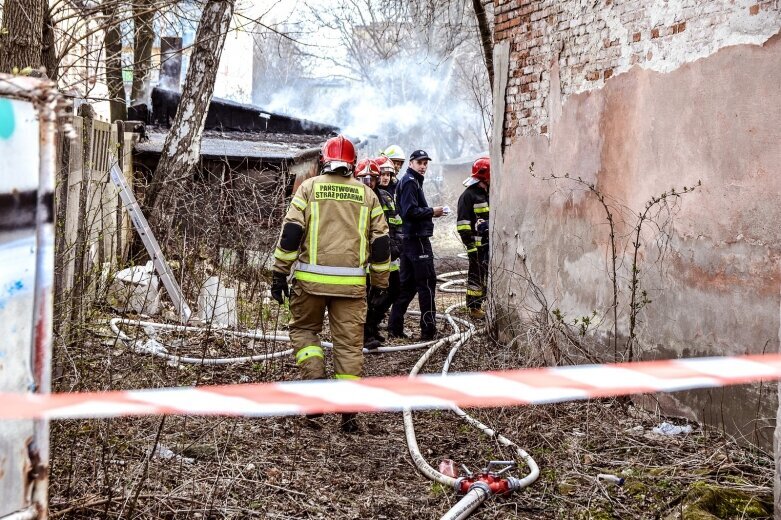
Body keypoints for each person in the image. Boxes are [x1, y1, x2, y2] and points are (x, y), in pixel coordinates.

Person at [270, 135, 390, 433]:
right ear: (352, 163)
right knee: (349, 346)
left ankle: (315, 386)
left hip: (309, 285)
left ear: (324, 161)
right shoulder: (367, 195)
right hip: (351, 288)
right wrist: (380, 282)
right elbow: (382, 243)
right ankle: (347, 411)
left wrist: (278, 273)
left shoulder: (308, 189)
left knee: (304, 331)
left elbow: (291, 235)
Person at [387, 149, 444, 341]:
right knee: (427, 285)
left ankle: (394, 327)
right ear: (410, 163)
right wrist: (432, 211)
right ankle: (428, 332)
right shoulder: (410, 182)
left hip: (410, 241)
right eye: (420, 162)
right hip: (417, 241)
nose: (423, 166)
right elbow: (410, 212)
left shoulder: (410, 181)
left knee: (407, 286)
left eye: (426, 163)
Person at [355, 158, 403, 348]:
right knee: (368, 295)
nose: (369, 183)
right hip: (366, 259)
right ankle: (366, 333)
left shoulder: (385, 197)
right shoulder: (355, 199)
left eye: (372, 179)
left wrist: (398, 245)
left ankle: (373, 325)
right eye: (364, 179)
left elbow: (397, 222)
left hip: (389, 256)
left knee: (394, 290)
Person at [456, 156, 490, 319]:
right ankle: (474, 308)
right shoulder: (468, 195)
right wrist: (470, 245)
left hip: (488, 245)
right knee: (476, 277)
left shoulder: (488, 192)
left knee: (487, 276)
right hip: (476, 246)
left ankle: (485, 304)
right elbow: (463, 224)